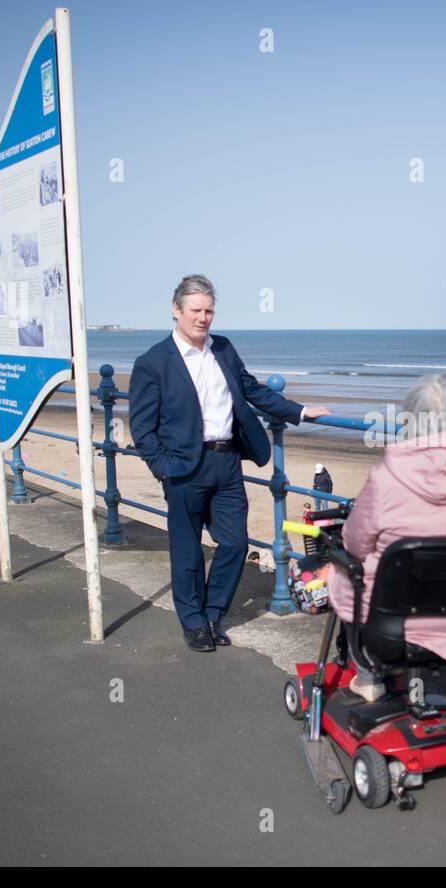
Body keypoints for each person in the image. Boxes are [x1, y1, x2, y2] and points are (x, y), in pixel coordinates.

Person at [129, 274, 330, 652]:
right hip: (183, 468)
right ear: (176, 311)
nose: (203, 318)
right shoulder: (153, 363)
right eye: (195, 310)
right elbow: (142, 428)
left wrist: (300, 411)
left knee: (235, 544)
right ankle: (193, 623)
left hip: (226, 462)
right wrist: (162, 468)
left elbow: (252, 389)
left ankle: (211, 615)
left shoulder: (222, 348)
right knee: (187, 551)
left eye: (209, 310)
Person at [325, 373, 446, 700]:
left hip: (391, 624)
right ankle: (414, 680)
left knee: (345, 571)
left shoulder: (387, 476)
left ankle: (368, 678)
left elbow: (355, 543)